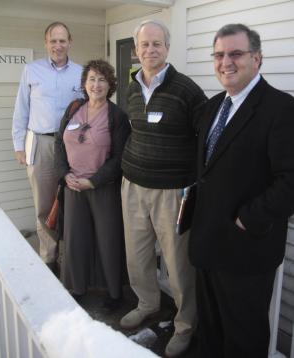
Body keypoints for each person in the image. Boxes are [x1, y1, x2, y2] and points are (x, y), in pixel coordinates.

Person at [188, 23, 294, 358]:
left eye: (236, 53)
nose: (225, 62)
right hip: (207, 243)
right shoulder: (213, 106)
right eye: (219, 55)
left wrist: (248, 219)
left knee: (243, 339)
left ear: (257, 59)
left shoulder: (281, 109)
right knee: (210, 332)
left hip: (246, 249)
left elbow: (291, 180)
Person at [120, 19, 207, 357]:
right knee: (137, 253)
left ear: (167, 48)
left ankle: (185, 325)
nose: (150, 50)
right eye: (145, 44)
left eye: (157, 44)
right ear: (136, 49)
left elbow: (205, 139)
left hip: (173, 191)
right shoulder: (130, 87)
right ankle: (146, 303)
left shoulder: (186, 89)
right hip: (133, 185)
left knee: (177, 262)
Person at [55, 59, 130, 310]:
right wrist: (64, 173)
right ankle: (77, 288)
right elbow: (59, 143)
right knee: (75, 240)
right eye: (91, 79)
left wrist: (94, 181)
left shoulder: (117, 116)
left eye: (102, 80)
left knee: (108, 240)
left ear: (110, 85)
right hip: (73, 185)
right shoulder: (73, 108)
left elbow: (119, 157)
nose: (96, 85)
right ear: (84, 84)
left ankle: (114, 293)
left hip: (102, 187)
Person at [12, 22, 82, 273]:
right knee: (44, 205)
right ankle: (49, 258)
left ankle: (69, 256)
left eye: (62, 40)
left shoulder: (80, 73)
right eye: (53, 41)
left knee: (71, 202)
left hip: (71, 146)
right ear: (46, 43)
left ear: (70, 42)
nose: (58, 45)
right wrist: (19, 146)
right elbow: (21, 110)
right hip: (40, 143)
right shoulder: (32, 71)